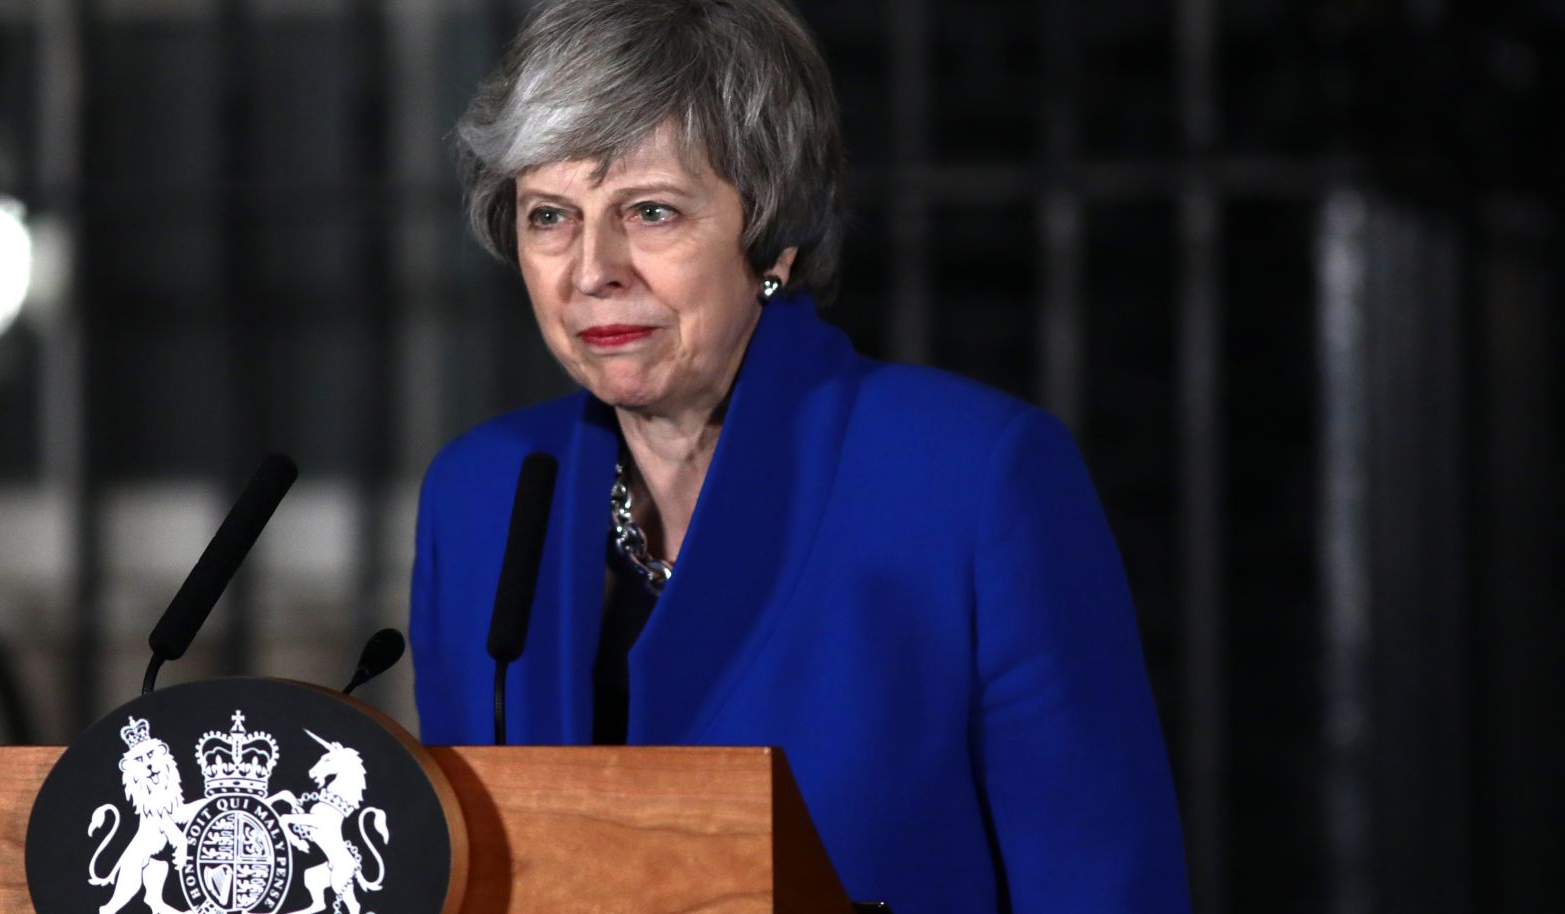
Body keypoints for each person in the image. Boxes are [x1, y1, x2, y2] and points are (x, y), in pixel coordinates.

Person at [408, 1, 1190, 910]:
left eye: (650, 211)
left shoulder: (972, 481)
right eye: (551, 217)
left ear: (773, 236)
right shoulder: (480, 494)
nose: (592, 269)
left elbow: (1100, 882)